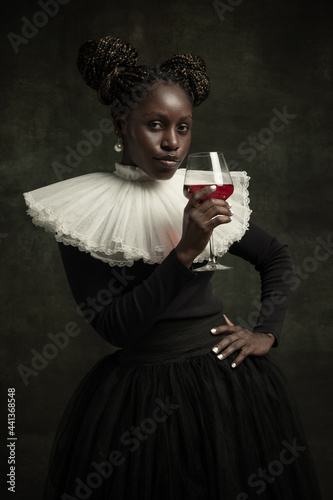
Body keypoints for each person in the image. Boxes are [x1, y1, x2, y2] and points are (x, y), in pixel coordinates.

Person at [23, 36, 321, 499]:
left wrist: (268, 332)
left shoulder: (199, 189)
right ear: (122, 125)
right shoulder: (79, 210)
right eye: (156, 125)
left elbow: (276, 256)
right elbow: (116, 327)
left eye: (184, 128)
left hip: (228, 384)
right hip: (140, 396)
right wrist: (185, 253)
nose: (172, 144)